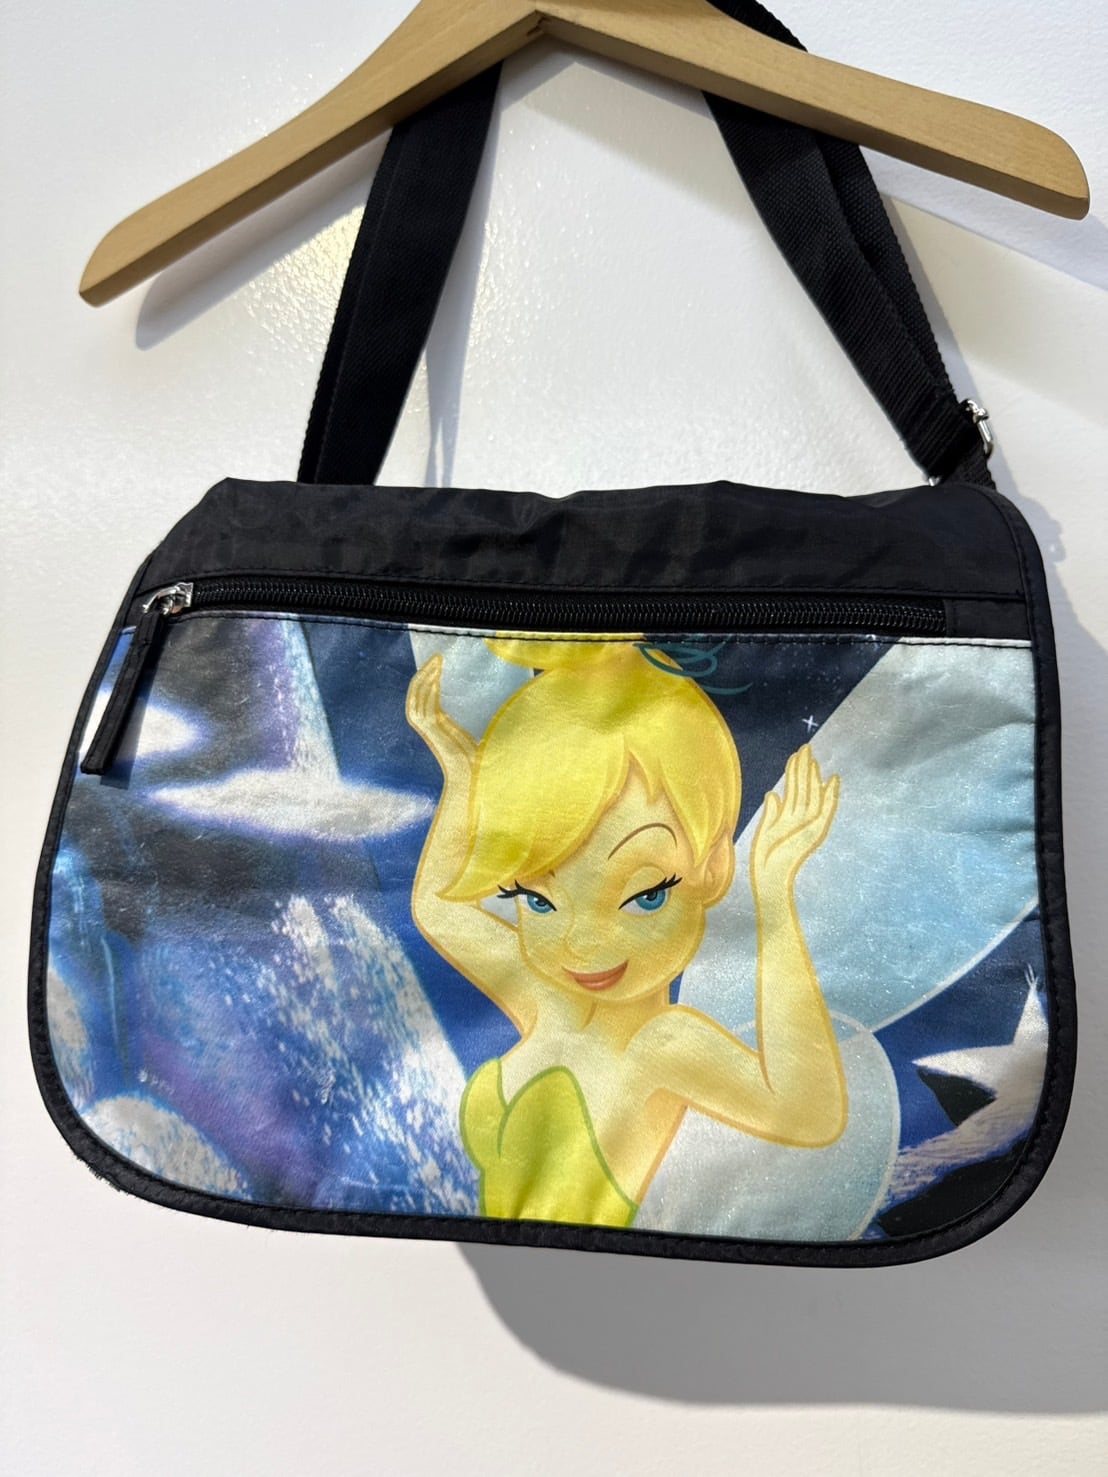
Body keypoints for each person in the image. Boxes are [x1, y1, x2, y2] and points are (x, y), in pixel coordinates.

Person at [406, 636, 846, 1228]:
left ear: (714, 867)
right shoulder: (546, 996)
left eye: (645, 895)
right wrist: (464, 778)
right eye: (537, 899)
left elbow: (805, 1113)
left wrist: (772, 892)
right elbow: (439, 909)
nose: (582, 943)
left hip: (608, 1276)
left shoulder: (662, 1045)